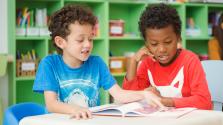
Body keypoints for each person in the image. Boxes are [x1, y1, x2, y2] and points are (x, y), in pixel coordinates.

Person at [33, 5, 164, 120]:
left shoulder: (97, 63)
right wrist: (75, 109)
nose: (87, 44)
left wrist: (144, 94)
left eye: (90, 39)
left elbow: (119, 94)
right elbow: (51, 104)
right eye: (80, 40)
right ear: (61, 42)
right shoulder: (49, 64)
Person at [122, 3, 212, 110]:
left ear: (178, 38)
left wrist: (164, 101)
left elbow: (204, 102)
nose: (162, 49)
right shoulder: (148, 62)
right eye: (154, 44)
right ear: (146, 43)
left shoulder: (190, 60)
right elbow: (131, 97)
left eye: (168, 42)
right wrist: (134, 61)